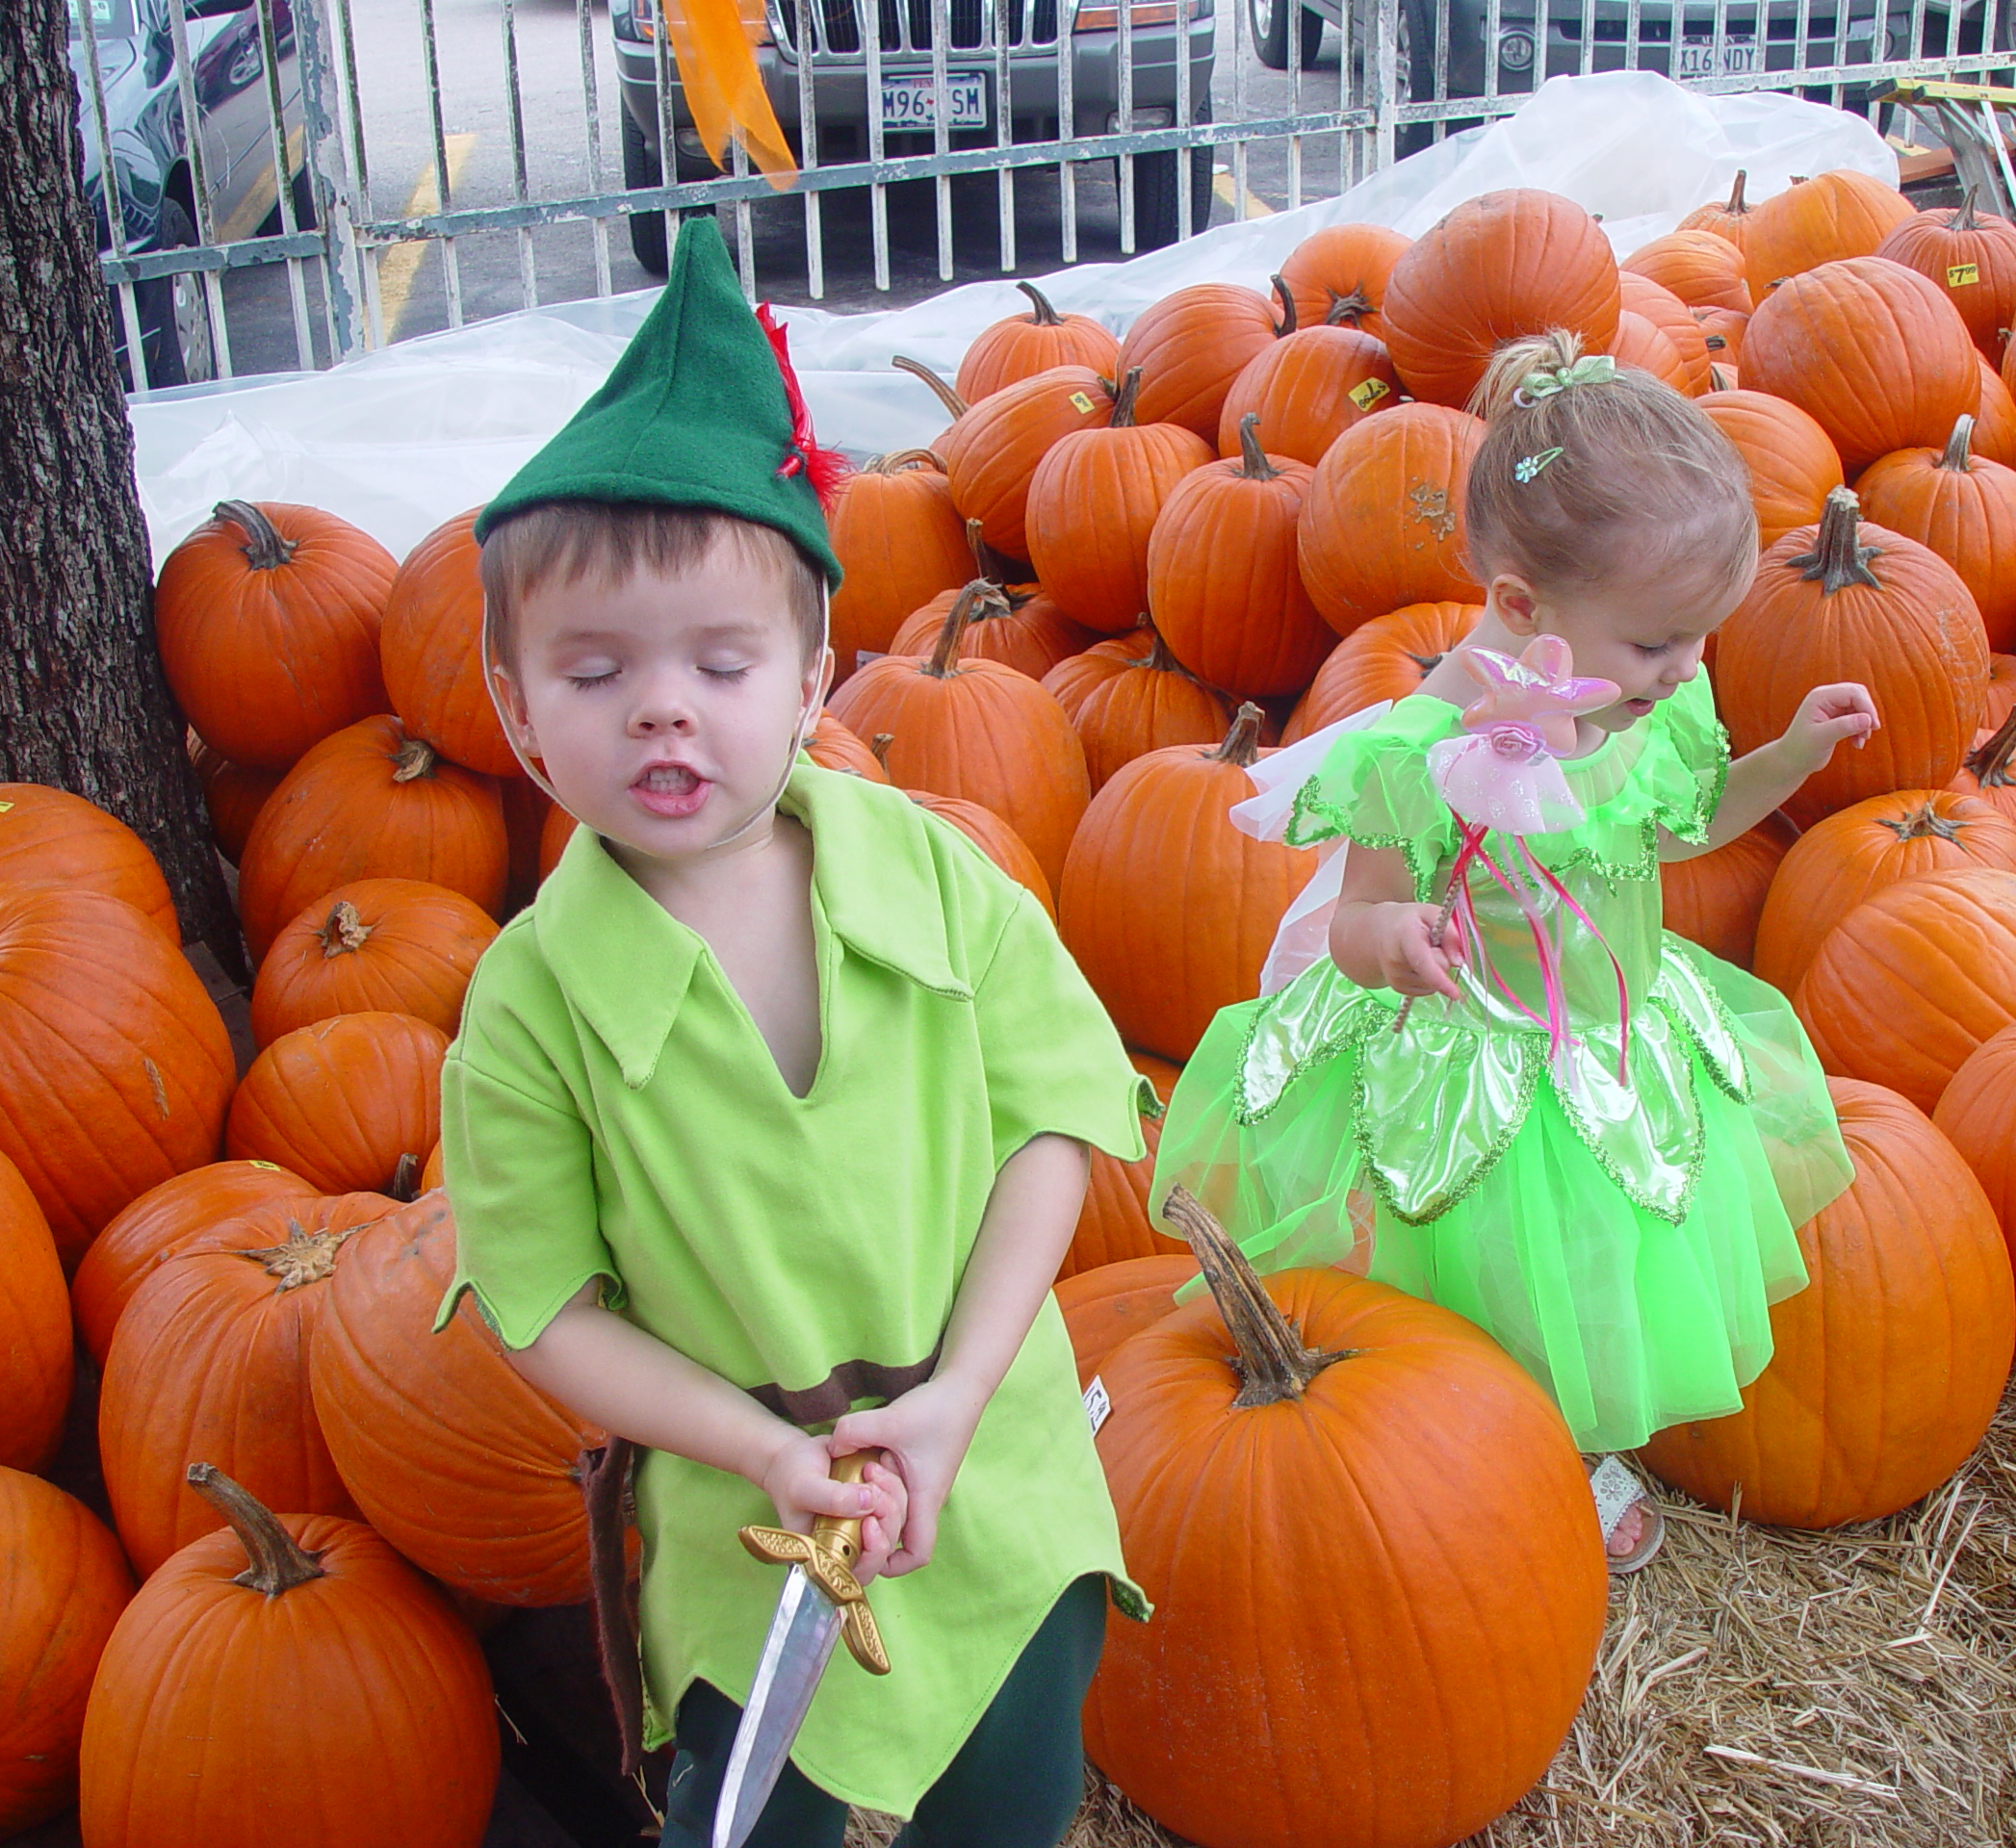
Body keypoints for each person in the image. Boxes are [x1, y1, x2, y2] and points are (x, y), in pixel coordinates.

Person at [435, 218, 1151, 1848]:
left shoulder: (932, 876)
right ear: (511, 705)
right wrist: (764, 1449)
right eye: (596, 669)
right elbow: (544, 1306)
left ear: (818, 667)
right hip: (746, 1502)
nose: (663, 707)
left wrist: (963, 1389)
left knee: (1009, 1794)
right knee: (746, 1814)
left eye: (721, 659)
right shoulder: (533, 1004)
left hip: (991, 1453)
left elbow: (1054, 1118)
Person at [1151, 330, 1873, 1571]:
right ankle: (1471, 1444)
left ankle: (1571, 1432)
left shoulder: (1651, 698)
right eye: (1657, 644)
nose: (1686, 668)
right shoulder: (1420, 753)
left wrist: (1792, 755)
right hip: (1474, 1060)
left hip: (1608, 1036)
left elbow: (1690, 821)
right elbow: (1353, 918)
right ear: (1526, 610)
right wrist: (1398, 939)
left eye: (1699, 640)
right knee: (1477, 1276)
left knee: (1592, 1262)